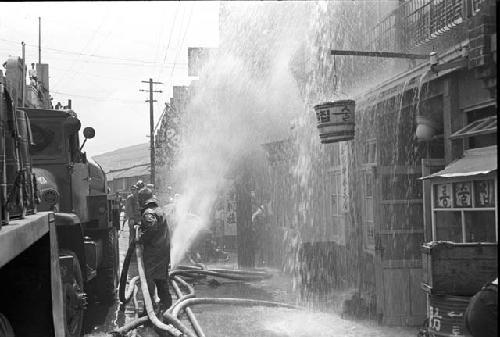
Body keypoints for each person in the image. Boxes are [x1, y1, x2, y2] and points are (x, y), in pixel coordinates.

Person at [137, 187, 172, 312]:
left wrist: (141, 238)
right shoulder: (159, 210)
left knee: (149, 279)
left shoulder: (148, 212)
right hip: (163, 249)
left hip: (154, 251)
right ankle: (166, 305)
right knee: (161, 277)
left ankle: (150, 307)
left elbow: (151, 227)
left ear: (142, 199)